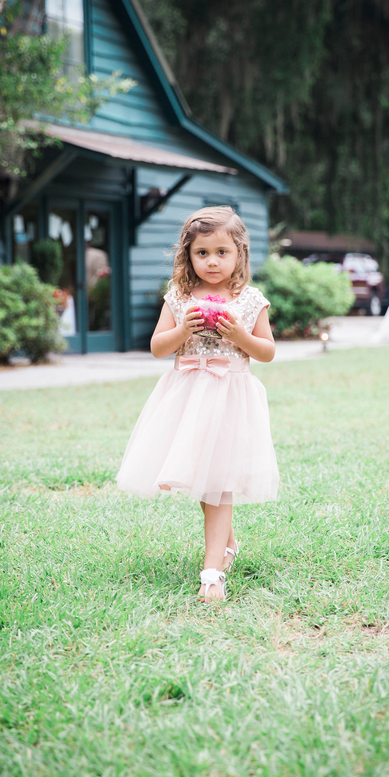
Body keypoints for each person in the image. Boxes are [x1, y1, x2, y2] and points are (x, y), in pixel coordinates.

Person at [117, 206, 279, 601]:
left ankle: (212, 574)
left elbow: (267, 352)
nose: (212, 261)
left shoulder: (249, 300)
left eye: (222, 252)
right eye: (202, 252)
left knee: (219, 483)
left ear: (239, 253)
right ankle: (226, 544)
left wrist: (240, 334)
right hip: (188, 398)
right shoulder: (178, 298)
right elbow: (157, 347)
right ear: (188, 255)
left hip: (231, 398)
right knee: (208, 478)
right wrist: (181, 329)